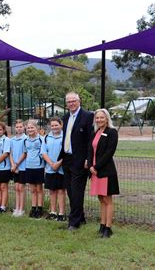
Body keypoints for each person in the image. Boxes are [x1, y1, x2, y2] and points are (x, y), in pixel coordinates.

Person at [59, 92, 94, 230]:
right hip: (67, 158)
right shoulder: (66, 117)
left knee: (77, 191)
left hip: (80, 160)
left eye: (73, 101)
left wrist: (88, 159)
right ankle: (81, 217)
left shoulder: (87, 116)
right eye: (68, 102)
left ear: (79, 101)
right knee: (70, 191)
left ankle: (74, 223)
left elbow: (90, 140)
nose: (71, 103)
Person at [87, 109, 119, 238]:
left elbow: (109, 152)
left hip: (105, 171)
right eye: (97, 118)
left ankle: (108, 228)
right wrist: (90, 166)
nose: (99, 120)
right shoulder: (94, 132)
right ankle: (102, 224)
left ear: (107, 119)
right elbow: (89, 150)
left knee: (107, 199)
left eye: (102, 117)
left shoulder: (112, 132)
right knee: (100, 198)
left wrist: (97, 167)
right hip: (94, 171)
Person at [41, 117, 65, 221]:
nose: (54, 127)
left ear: (61, 125)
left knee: (61, 191)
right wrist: (51, 164)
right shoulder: (46, 137)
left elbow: (67, 152)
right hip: (50, 168)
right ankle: (53, 212)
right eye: (52, 125)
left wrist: (58, 164)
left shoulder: (65, 137)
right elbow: (43, 152)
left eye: (56, 125)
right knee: (52, 191)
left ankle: (61, 213)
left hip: (62, 169)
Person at [25, 119, 45, 219]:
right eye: (28, 128)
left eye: (32, 127)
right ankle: (33, 208)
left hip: (39, 166)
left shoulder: (41, 139)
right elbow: (25, 153)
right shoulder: (25, 140)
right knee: (32, 189)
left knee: (39, 189)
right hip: (29, 166)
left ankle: (40, 209)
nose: (30, 129)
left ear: (36, 128)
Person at [9, 119, 27, 217]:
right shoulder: (12, 140)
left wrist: (16, 165)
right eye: (17, 127)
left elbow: (24, 153)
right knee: (16, 188)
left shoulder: (26, 139)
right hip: (14, 167)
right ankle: (17, 208)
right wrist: (13, 165)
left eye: (20, 127)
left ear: (24, 127)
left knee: (21, 188)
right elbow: (10, 153)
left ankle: (21, 209)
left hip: (22, 167)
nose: (19, 128)